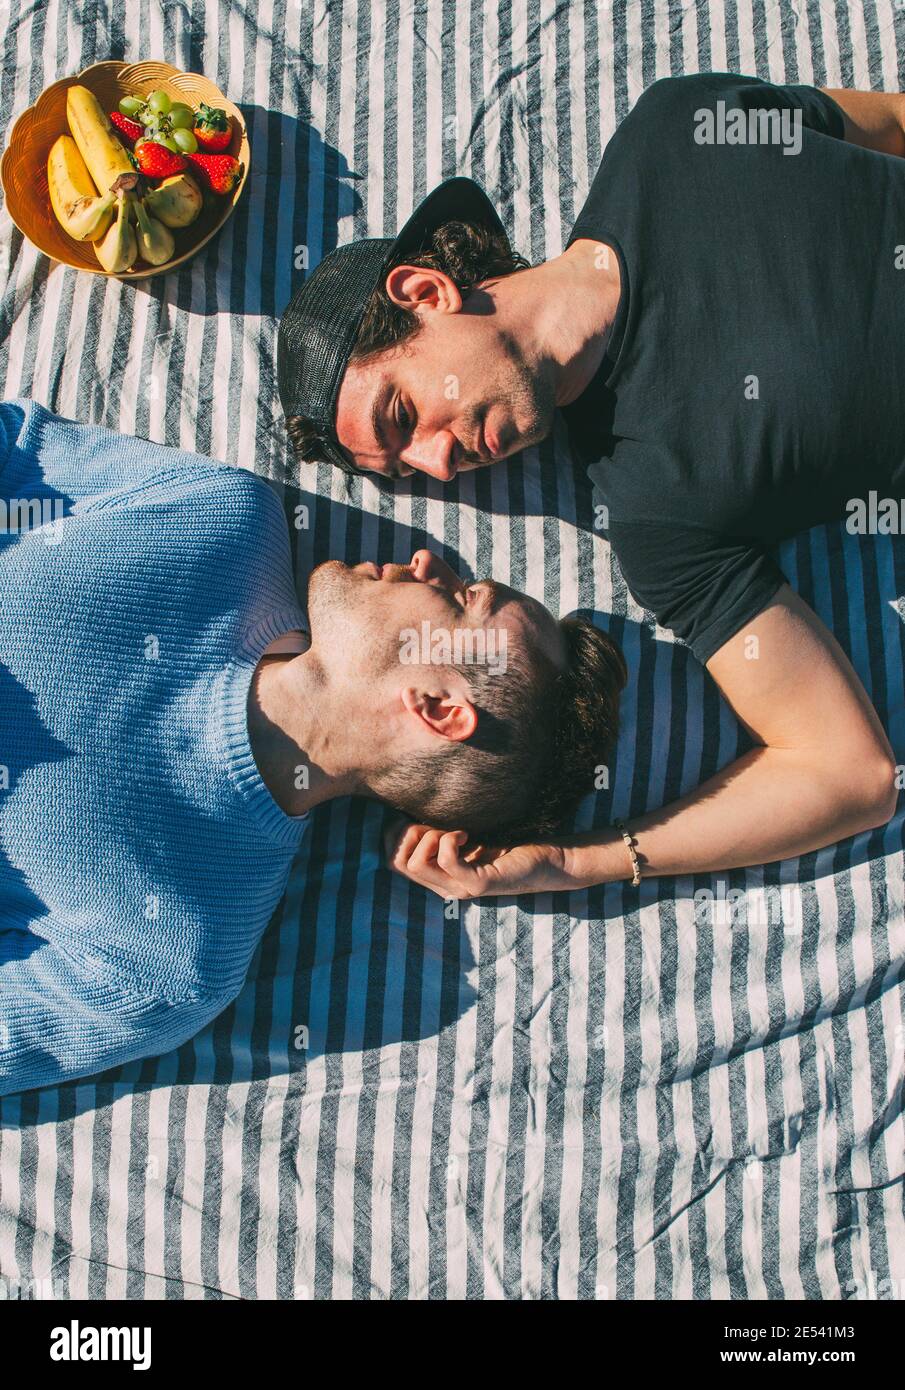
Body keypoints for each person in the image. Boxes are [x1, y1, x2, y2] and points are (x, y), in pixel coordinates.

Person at [276, 71, 901, 898]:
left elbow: (890, 120)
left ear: (424, 292)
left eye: (402, 417)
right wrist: (574, 862)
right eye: (405, 472)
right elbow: (850, 774)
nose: (434, 463)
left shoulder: (676, 131)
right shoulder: (658, 515)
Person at [0, 399, 624, 1095]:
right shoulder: (218, 516)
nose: (428, 560)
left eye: (459, 598)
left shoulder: (177, 956)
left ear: (441, 711)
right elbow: (13, 448)